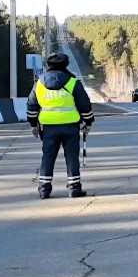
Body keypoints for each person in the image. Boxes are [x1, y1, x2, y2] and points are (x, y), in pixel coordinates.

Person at [26, 52, 94, 199]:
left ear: (48, 65)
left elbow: (32, 106)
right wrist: (88, 122)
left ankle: (44, 189)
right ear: (66, 64)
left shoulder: (39, 84)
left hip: (49, 127)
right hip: (70, 126)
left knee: (48, 157)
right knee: (71, 157)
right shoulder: (72, 82)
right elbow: (85, 105)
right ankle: (74, 188)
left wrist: (33, 125)